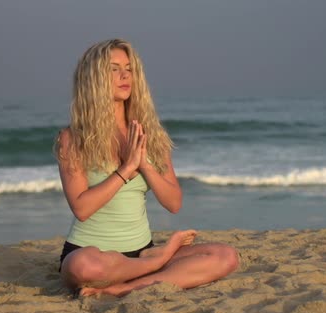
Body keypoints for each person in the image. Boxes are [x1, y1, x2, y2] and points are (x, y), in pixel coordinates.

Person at [54, 38, 239, 297]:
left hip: (140, 250)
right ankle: (157, 262)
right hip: (93, 254)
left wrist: (144, 166)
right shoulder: (73, 138)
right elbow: (82, 209)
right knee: (83, 267)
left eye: (129, 68)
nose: (124, 75)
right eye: (113, 68)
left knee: (225, 256)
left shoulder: (148, 133)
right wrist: (126, 170)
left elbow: (174, 202)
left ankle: (126, 286)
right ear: (93, 78)